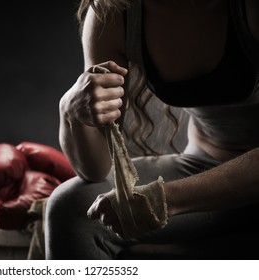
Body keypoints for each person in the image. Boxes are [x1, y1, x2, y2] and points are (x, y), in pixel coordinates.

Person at [45, 0, 259, 259]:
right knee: (72, 207)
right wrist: (71, 113)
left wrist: (166, 199)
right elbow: (95, 169)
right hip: (204, 163)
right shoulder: (115, 12)